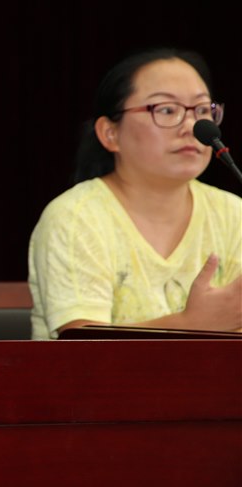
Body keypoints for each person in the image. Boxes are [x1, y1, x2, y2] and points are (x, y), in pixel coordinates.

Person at [28, 48, 242, 340]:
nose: (192, 127)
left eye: (203, 110)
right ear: (110, 133)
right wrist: (192, 323)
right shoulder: (76, 217)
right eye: (167, 110)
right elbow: (81, 348)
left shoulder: (233, 214)